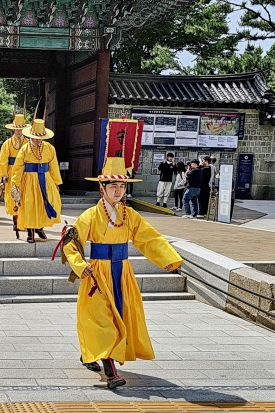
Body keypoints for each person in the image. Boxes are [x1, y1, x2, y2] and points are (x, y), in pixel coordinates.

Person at [58, 154, 182, 390]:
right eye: (112, 186)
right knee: (102, 319)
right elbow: (70, 242)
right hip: (98, 273)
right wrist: (80, 265)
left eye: (122, 186)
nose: (117, 191)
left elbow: (149, 238)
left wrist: (166, 258)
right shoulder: (90, 216)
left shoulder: (130, 215)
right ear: (101, 187)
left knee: (120, 316)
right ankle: (111, 371)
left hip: (122, 272)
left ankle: (90, 354)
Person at [10, 115, 62, 243]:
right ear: (31, 136)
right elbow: (17, 167)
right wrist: (15, 183)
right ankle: (30, 233)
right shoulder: (25, 149)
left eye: (41, 138)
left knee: (48, 203)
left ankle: (40, 227)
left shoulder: (49, 148)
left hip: (46, 178)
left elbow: (53, 166)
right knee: (30, 206)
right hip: (29, 180)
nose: (39, 140)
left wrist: (56, 182)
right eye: (36, 138)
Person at [0, 113, 27, 239]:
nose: (19, 131)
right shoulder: (8, 143)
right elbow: (3, 159)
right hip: (11, 171)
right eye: (17, 129)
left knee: (25, 195)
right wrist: (3, 175)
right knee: (14, 196)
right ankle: (15, 219)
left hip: (25, 172)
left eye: (21, 129)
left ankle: (23, 219)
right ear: (13, 129)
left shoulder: (28, 142)